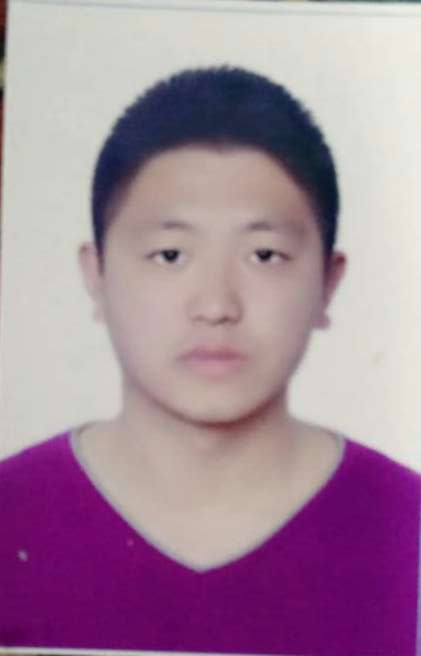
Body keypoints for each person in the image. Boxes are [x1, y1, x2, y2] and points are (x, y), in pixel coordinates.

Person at [0, 66, 419, 655]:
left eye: (265, 255)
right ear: (96, 275)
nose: (217, 306)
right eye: (170, 255)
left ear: (328, 281)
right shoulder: (11, 513)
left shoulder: (406, 525)